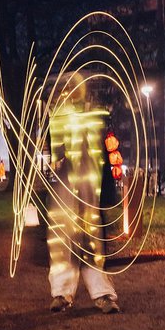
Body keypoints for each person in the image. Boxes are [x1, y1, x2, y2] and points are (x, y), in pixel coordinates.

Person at [46, 75, 120, 314]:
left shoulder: (95, 115)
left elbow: (105, 148)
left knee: (92, 240)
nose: (68, 91)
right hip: (65, 186)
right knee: (63, 239)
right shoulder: (58, 117)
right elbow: (54, 154)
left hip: (89, 186)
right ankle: (61, 292)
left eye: (73, 87)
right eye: (65, 87)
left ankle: (102, 294)